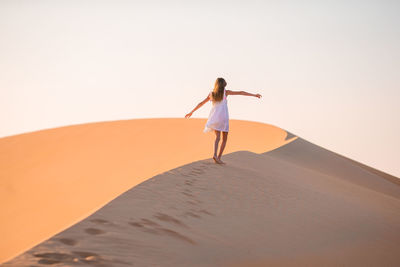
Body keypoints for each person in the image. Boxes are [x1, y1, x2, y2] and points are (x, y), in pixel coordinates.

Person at [185, 77, 262, 164]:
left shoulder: (212, 94)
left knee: (217, 137)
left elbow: (201, 103)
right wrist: (254, 95)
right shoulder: (226, 92)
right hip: (223, 117)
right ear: (223, 84)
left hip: (214, 117)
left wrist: (191, 112)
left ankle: (214, 154)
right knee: (224, 139)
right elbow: (241, 92)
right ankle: (219, 157)